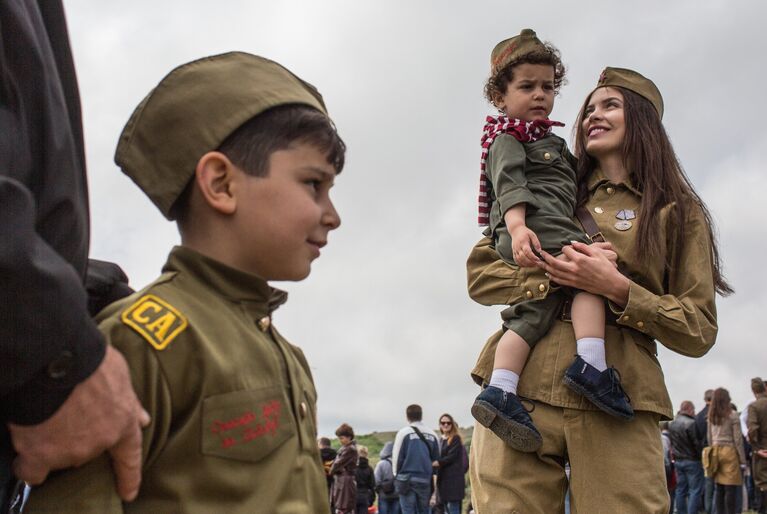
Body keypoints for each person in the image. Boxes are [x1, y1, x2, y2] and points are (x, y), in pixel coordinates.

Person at [22, 51, 344, 513]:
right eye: (314, 184)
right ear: (221, 184)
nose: (332, 216)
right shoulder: (143, 340)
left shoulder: (287, 355)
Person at [466, 65, 731, 513]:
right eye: (589, 107)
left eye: (610, 105)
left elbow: (698, 329)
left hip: (619, 400)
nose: (593, 115)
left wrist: (618, 289)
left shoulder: (677, 212)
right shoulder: (548, 183)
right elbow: (480, 274)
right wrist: (560, 271)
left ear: (643, 122)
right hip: (519, 396)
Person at [471, 28, 632, 454]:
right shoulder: (508, 138)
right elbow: (508, 185)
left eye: (548, 86)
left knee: (533, 310)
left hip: (544, 228)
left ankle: (501, 389)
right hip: (533, 226)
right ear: (500, 97)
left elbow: (579, 179)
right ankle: (592, 364)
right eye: (527, 86)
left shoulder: (553, 142)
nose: (540, 94)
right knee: (590, 275)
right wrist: (520, 227)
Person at [392, 405, 439, 514]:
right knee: (424, 511)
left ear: (407, 417)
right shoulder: (432, 434)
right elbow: (436, 460)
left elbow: (397, 457)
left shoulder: (403, 433)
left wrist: (396, 476)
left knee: (408, 511)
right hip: (425, 480)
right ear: (421, 416)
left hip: (406, 480)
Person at [707, 388, 746, 514]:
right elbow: (738, 439)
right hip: (730, 451)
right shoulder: (733, 414)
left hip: (715, 451)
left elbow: (709, 437)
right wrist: (742, 459)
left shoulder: (711, 416)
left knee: (719, 488)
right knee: (730, 488)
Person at [668, 401, 704, 514]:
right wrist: (700, 457)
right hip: (692, 460)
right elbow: (696, 444)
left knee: (680, 490)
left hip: (678, 460)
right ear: (689, 409)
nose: (694, 413)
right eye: (693, 410)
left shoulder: (672, 423)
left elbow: (672, 442)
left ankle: (681, 512)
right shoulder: (691, 423)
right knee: (695, 490)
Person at [434, 414, 466, 514]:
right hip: (443, 482)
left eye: (448, 423)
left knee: (453, 510)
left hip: (454, 482)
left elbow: (451, 457)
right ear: (440, 425)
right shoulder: (440, 440)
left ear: (452, 424)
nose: (446, 425)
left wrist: (438, 462)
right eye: (443, 423)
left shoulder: (456, 439)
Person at [747, 377, 767, 513]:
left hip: (763, 451)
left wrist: (756, 449)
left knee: (762, 484)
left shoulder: (754, 406)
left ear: (753, 391)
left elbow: (752, 429)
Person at [330, 424, 358, 514]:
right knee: (341, 508)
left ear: (349, 437)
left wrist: (332, 469)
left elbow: (336, 464)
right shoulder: (345, 448)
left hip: (346, 482)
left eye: (342, 438)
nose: (340, 441)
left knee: (345, 508)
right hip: (342, 481)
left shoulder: (350, 449)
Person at [697, 389, 715, 513]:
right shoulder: (715, 414)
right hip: (714, 450)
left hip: (703, 452)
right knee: (714, 485)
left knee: (706, 484)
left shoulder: (698, 416)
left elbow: (696, 436)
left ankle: (706, 509)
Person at [374, 442, 400, 514]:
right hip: (397, 494)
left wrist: (379, 490)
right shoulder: (400, 463)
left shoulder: (381, 464)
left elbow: (376, 480)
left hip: (384, 494)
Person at [355, 446, 376, 514]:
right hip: (365, 495)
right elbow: (372, 484)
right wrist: (372, 498)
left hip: (354, 494)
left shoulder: (353, 467)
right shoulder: (369, 469)